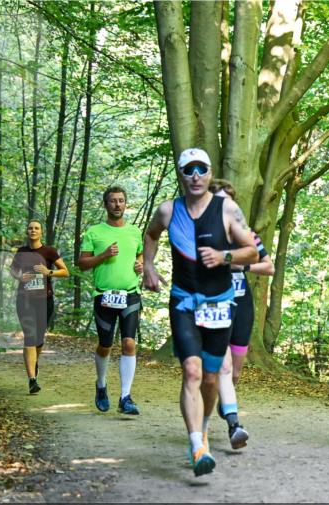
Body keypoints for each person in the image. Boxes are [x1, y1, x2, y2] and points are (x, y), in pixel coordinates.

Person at [143, 148, 258, 476]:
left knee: (210, 378)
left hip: (220, 304)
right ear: (180, 174)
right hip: (183, 302)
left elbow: (252, 251)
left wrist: (224, 257)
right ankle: (197, 446)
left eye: (201, 169)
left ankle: (204, 427)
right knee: (191, 372)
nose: (195, 175)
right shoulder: (167, 211)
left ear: (209, 174)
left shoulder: (227, 209)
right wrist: (148, 267)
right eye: (188, 169)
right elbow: (150, 235)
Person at [78, 186, 145, 415]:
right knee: (105, 345)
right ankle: (101, 384)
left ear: (126, 204)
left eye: (121, 200)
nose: (118, 204)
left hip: (130, 294)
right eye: (113, 201)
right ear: (105, 205)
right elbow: (82, 264)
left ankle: (125, 397)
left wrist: (141, 264)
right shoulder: (94, 232)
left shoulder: (135, 231)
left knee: (129, 343)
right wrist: (104, 255)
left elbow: (140, 254)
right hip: (104, 295)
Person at [210, 180, 275, 386]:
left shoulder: (247, 236)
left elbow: (269, 267)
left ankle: (226, 400)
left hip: (242, 304)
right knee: (219, 364)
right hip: (215, 303)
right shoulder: (203, 235)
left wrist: (243, 267)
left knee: (235, 373)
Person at [9, 220, 69, 394]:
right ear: (27, 231)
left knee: (39, 339)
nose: (33, 230)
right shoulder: (21, 251)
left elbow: (65, 271)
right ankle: (32, 379)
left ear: (41, 232)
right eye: (30, 228)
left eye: (36, 228)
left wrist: (48, 272)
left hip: (44, 301)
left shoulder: (49, 251)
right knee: (30, 336)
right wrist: (20, 277)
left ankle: (33, 362)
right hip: (24, 299)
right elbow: (13, 270)